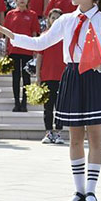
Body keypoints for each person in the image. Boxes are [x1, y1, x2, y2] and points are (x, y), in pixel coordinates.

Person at [0, 0, 101, 201]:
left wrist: (100, 64)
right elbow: (42, 42)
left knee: (95, 137)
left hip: (94, 76)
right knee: (75, 137)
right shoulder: (66, 20)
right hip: (72, 76)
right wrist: (15, 37)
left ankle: (91, 190)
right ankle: (78, 190)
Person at [4, 0, 39, 112]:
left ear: (28, 0)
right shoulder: (10, 14)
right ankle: (16, 102)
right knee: (15, 77)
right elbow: (7, 33)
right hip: (14, 50)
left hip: (27, 50)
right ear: (15, 0)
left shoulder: (32, 15)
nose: (22, 0)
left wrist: (35, 48)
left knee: (26, 78)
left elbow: (34, 32)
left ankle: (25, 102)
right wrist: (6, 48)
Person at [36, 8, 67, 145]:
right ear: (48, 20)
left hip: (63, 76)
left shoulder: (67, 36)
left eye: (57, 18)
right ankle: (48, 132)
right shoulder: (45, 35)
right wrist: (38, 76)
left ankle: (58, 132)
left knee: (60, 107)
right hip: (47, 75)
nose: (54, 20)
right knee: (48, 107)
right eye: (52, 17)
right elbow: (39, 57)